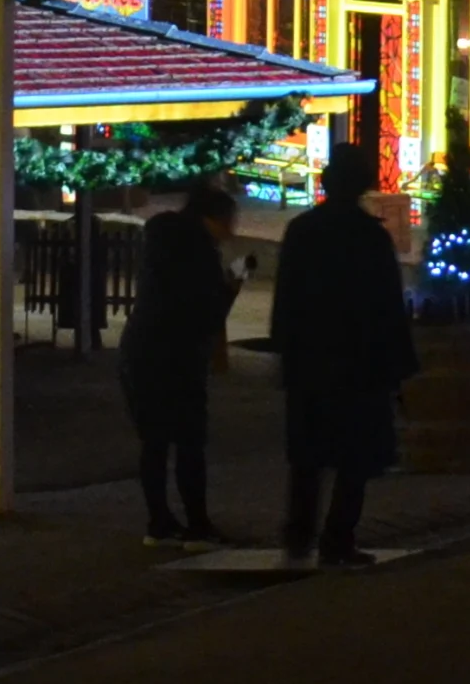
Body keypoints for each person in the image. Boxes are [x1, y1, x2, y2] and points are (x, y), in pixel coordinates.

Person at [270, 143, 417, 566]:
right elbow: (388, 305)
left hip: (310, 360)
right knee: (355, 456)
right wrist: (399, 366)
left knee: (307, 457)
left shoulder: (302, 229)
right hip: (359, 363)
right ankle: (338, 539)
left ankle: (298, 536)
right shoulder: (370, 237)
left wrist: (284, 351)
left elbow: (286, 298)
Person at [120, 183, 242, 548]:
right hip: (179, 354)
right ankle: (198, 526)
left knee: (154, 441)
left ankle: (159, 523)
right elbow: (206, 309)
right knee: (190, 440)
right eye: (229, 220)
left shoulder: (162, 241)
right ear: (213, 218)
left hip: (140, 349)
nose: (232, 228)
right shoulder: (200, 251)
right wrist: (231, 288)